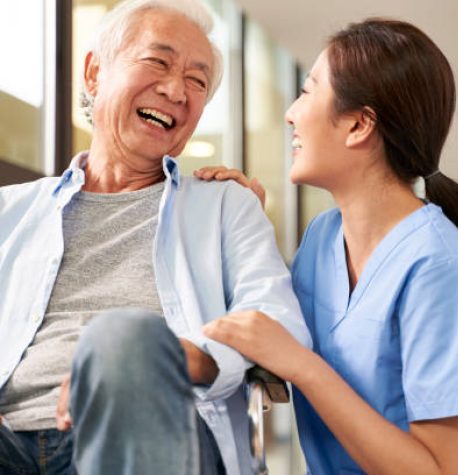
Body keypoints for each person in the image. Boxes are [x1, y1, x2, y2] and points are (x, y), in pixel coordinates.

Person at [0, 1, 311, 474]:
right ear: (94, 73)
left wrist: (186, 356)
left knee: (121, 337)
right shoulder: (11, 211)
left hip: (154, 434)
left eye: (198, 81)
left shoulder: (225, 204)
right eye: (158, 61)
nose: (175, 89)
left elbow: (279, 323)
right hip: (10, 438)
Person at [200, 18, 458, 474]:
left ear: (359, 125)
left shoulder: (437, 265)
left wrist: (304, 367)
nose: (290, 112)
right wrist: (240, 230)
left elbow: (437, 470)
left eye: (308, 91)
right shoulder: (322, 239)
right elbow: (264, 327)